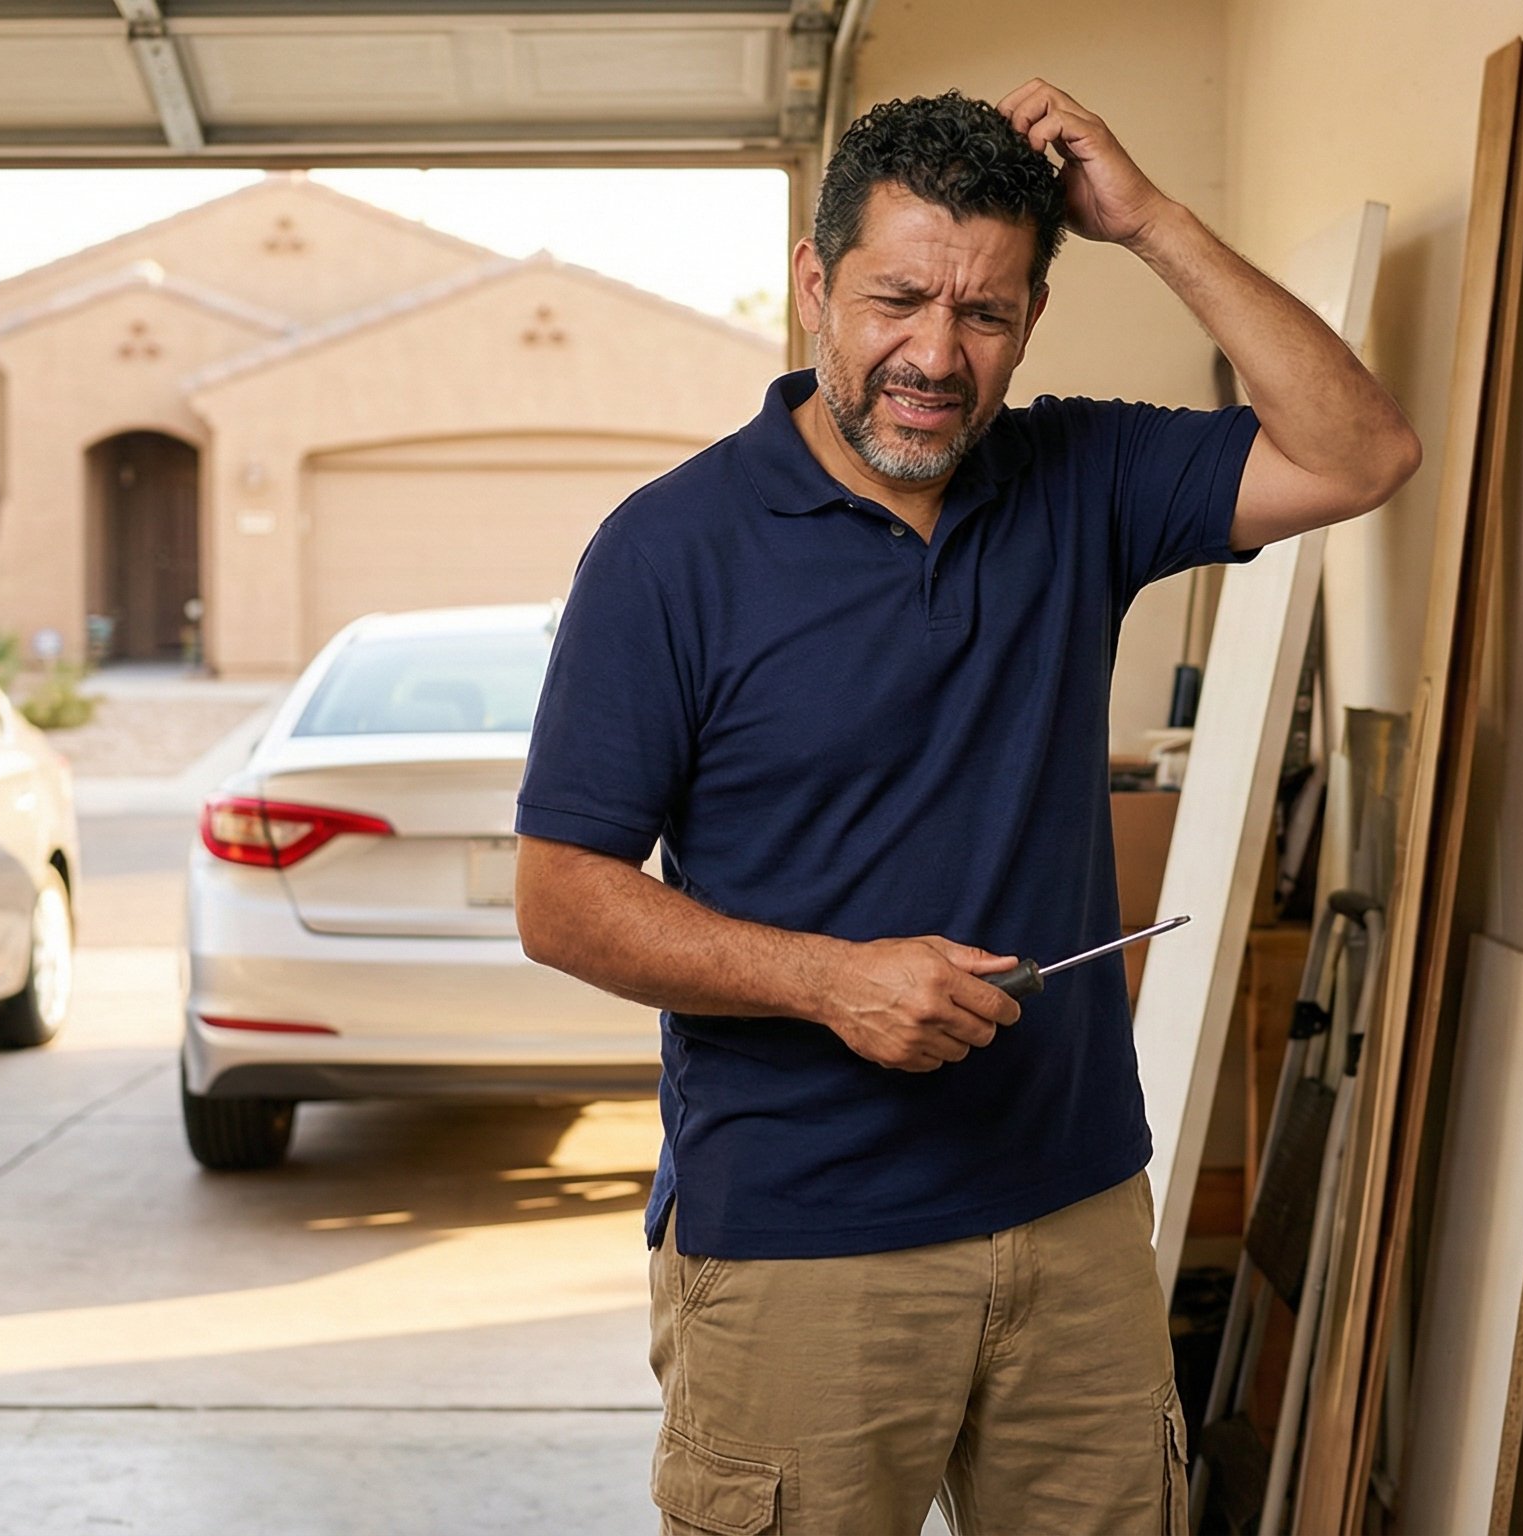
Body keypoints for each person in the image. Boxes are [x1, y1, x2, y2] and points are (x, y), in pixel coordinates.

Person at [514, 81, 1420, 1536]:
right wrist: (831, 984)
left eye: (987, 313)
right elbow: (560, 896)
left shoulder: (1080, 481)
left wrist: (1153, 221)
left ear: (1034, 316)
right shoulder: (668, 552)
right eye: (896, 300)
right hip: (799, 1245)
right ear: (814, 287)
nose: (935, 355)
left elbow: (1359, 452)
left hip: (1072, 1217)